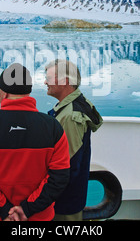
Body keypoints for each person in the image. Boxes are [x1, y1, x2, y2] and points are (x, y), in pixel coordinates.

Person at [0, 63, 70, 221]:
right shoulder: (52, 127)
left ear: (4, 92)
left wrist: (4, 209)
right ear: (28, 91)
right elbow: (59, 176)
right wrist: (25, 210)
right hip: (38, 216)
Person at [45, 59, 103, 221]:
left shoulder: (71, 116)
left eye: (49, 78)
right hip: (67, 199)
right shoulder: (72, 106)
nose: (45, 82)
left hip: (63, 204)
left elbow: (68, 166)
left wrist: (44, 196)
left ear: (65, 81)